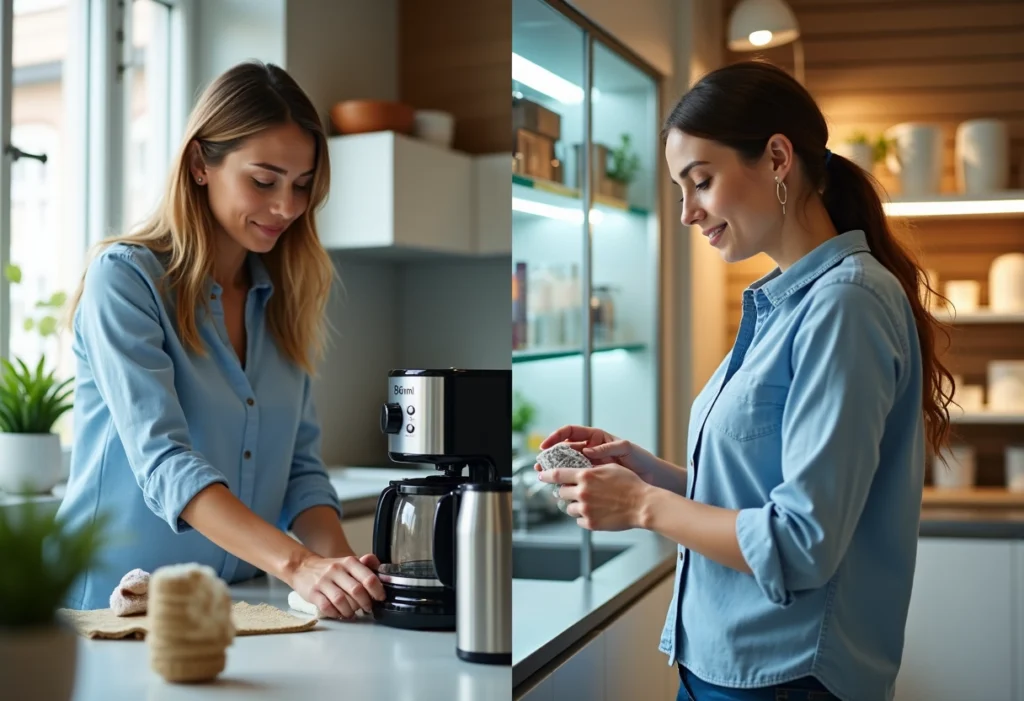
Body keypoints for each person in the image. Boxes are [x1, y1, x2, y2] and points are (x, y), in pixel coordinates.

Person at [536, 60, 954, 701]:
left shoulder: (846, 302)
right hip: (728, 669)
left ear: (778, 158)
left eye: (699, 182)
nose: (687, 213)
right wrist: (653, 475)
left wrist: (644, 507)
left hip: (786, 679)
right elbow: (766, 493)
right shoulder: (788, 302)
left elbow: (801, 543)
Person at [57, 61, 385, 619]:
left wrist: (345, 577)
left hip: (229, 610)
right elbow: (164, 460)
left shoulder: (283, 299)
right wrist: (299, 566)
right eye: (263, 180)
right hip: (107, 615)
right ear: (199, 164)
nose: (286, 206)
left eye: (302, 185)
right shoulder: (127, 279)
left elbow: (302, 474)